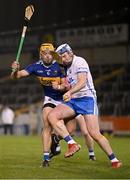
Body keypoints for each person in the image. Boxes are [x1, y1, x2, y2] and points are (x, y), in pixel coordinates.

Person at [47, 43, 122, 168]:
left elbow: (82, 82)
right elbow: (69, 84)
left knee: (94, 133)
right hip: (74, 100)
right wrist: (61, 87)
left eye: (64, 56)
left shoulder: (80, 61)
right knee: (52, 116)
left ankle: (114, 160)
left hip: (87, 99)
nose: (63, 59)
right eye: (61, 58)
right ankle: (72, 144)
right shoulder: (66, 66)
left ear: (70, 52)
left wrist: (69, 92)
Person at [11, 43, 80, 167]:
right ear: (40, 54)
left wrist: (59, 87)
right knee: (47, 124)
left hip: (65, 98)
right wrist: (15, 70)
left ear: (53, 54)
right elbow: (17, 76)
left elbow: (68, 85)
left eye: (50, 53)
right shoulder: (35, 67)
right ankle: (46, 158)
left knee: (71, 130)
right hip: (50, 99)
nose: (47, 56)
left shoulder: (60, 66)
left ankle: (55, 139)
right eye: (44, 53)